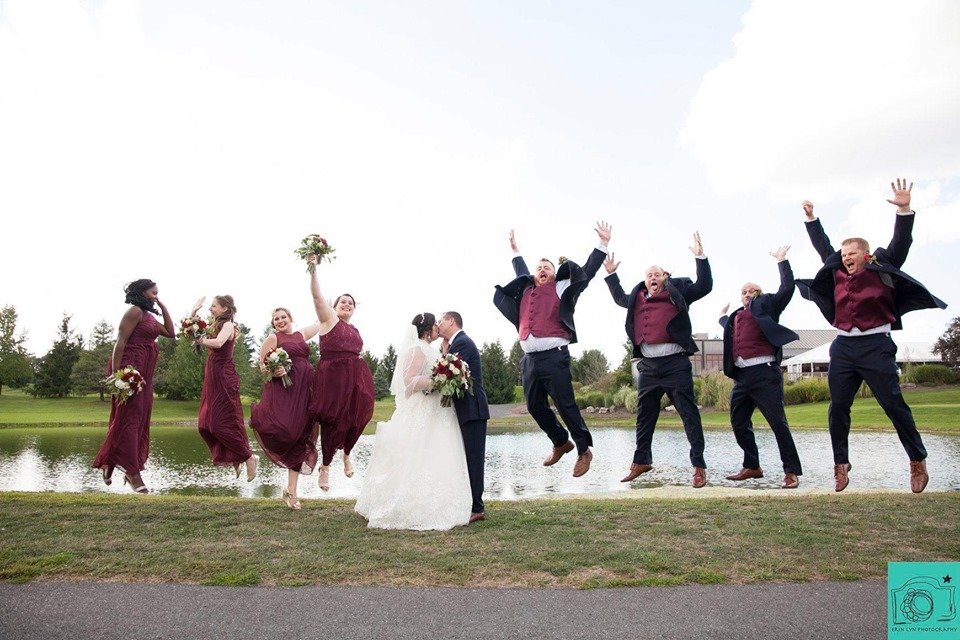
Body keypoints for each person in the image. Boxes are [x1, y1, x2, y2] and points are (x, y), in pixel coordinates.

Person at [796, 179, 946, 493]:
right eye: (844, 253)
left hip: (876, 345)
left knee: (893, 403)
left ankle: (917, 460)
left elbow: (900, 244)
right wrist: (811, 218)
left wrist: (904, 210)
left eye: (852, 253)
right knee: (838, 407)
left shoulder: (882, 268)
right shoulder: (835, 270)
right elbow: (823, 246)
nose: (846, 257)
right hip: (843, 347)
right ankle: (840, 464)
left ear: (865, 255)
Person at [493, 223, 611, 478]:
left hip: (555, 355)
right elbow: (521, 270)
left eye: (548, 268)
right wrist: (515, 251)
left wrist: (602, 245)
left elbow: (587, 273)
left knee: (565, 405)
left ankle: (583, 450)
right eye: (540, 268)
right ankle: (560, 442)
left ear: (555, 274)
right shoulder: (525, 290)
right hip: (529, 360)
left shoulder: (561, 287)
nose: (543, 270)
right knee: (534, 406)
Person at [604, 232, 713, 488]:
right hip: (649, 367)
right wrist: (610, 275)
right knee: (644, 416)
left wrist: (700, 257)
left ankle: (698, 466)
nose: (653, 277)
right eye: (649, 274)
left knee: (688, 415)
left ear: (665, 277)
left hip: (675, 364)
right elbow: (620, 297)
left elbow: (705, 286)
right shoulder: (637, 297)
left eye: (657, 274)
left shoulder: (679, 292)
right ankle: (641, 461)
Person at [355, 313, 472, 530]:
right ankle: (409, 504)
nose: (438, 327)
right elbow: (409, 380)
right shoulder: (418, 349)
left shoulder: (431, 349)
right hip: (423, 408)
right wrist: (438, 381)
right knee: (417, 452)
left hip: (436, 409)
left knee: (435, 452)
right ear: (427, 329)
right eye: (435, 324)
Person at [718, 247, 803, 489]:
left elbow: (787, 289)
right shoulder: (735, 317)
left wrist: (782, 261)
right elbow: (729, 327)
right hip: (742, 377)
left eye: (751, 291)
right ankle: (752, 466)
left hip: (765, 374)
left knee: (778, 423)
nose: (747, 294)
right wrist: (722, 316)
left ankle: (791, 471)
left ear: (759, 293)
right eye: (743, 292)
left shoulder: (767, 305)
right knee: (738, 422)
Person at [92, 279, 175, 493]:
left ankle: (111, 460)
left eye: (158, 292)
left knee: (138, 418)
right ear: (142, 292)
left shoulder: (148, 316)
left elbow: (170, 332)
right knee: (129, 418)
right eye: (153, 291)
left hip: (145, 374)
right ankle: (131, 472)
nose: (157, 294)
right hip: (129, 369)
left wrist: (164, 307)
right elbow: (120, 342)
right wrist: (116, 376)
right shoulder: (134, 312)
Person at [307, 256, 375, 492]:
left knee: (359, 415)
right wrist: (313, 268)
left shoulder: (354, 329)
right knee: (332, 420)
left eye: (351, 303)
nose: (347, 305)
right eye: (343, 302)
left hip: (356, 378)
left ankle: (347, 452)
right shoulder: (328, 320)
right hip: (332, 380)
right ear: (334, 307)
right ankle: (325, 467)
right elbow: (316, 296)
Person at [250, 308, 321, 510]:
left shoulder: (300, 335)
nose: (280, 321)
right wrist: (274, 369)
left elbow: (318, 324)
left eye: (283, 317)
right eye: (276, 319)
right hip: (284, 392)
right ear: (273, 323)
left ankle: (292, 491)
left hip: (305, 392)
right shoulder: (273, 338)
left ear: (291, 318)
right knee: (287, 432)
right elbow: (262, 367)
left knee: (301, 437)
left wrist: (328, 309)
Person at [194, 295, 259, 481]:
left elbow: (218, 343)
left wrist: (201, 341)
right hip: (212, 375)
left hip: (223, 375)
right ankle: (234, 457)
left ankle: (248, 457)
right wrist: (194, 310)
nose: (210, 309)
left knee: (220, 424)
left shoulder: (228, 325)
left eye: (213, 306)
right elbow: (192, 328)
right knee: (204, 425)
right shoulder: (214, 325)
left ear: (224, 309)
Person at [438, 311, 490, 522]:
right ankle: (470, 503)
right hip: (466, 410)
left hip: (473, 410)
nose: (438, 325)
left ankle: (477, 508)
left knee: (474, 458)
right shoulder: (455, 343)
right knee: (467, 457)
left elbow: (449, 374)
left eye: (441, 321)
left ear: (451, 321)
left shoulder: (462, 343)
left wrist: (443, 356)